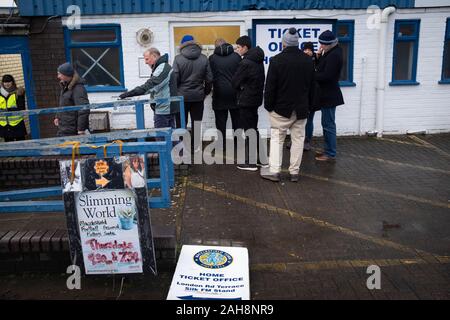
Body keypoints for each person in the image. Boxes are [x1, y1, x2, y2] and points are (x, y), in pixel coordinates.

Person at [261, 28, 315, 183]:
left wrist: (269, 106)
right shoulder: (307, 61)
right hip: (301, 109)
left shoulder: (277, 60)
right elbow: (312, 87)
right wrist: (309, 106)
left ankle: (275, 171)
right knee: (298, 139)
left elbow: (270, 87)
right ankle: (294, 173)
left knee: (277, 139)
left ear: (283, 43)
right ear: (297, 43)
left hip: (280, 109)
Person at [173, 35, 213, 151]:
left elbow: (174, 78)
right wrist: (205, 92)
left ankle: (183, 146)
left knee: (181, 122)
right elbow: (209, 79)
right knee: (197, 122)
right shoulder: (204, 58)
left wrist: (176, 93)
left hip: (181, 97)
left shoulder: (178, 59)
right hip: (198, 96)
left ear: (182, 45)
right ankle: (196, 146)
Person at [119, 48, 177, 129]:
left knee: (162, 139)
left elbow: (149, 86)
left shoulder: (162, 68)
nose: (146, 62)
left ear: (154, 56)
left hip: (164, 110)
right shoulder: (162, 67)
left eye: (147, 59)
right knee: (171, 139)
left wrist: (128, 94)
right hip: (166, 108)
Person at [232, 35, 265, 171]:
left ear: (245, 47)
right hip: (255, 99)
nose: (237, 50)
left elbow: (235, 82)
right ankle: (261, 159)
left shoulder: (245, 63)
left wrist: (241, 87)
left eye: (238, 47)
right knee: (254, 129)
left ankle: (251, 163)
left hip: (246, 100)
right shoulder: (258, 60)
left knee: (249, 130)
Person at [314, 30, 345, 162]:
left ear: (330, 44)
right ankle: (328, 149)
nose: (321, 46)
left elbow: (327, 76)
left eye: (323, 44)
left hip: (330, 95)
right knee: (327, 123)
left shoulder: (334, 55)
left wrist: (311, 76)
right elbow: (321, 67)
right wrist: (319, 56)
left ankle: (330, 153)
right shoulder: (331, 52)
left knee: (328, 125)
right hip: (327, 94)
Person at [209, 38, 242, 149]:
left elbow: (210, 77)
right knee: (237, 120)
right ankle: (238, 144)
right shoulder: (237, 57)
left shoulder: (212, 58)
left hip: (219, 93)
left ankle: (221, 145)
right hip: (235, 93)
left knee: (220, 121)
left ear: (216, 47)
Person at [54, 62, 90, 137]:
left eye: (60, 74)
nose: (58, 76)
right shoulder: (66, 86)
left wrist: (81, 129)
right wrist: (57, 116)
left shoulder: (78, 88)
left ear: (67, 75)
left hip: (73, 130)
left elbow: (84, 109)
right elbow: (63, 104)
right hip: (65, 128)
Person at [0, 74, 27, 142]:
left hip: (17, 124)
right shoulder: (0, 94)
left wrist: (7, 110)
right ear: (2, 83)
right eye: (5, 82)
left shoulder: (18, 93)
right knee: (9, 146)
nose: (7, 84)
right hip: (5, 125)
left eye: (9, 81)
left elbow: (22, 108)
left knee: (21, 145)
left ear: (12, 82)